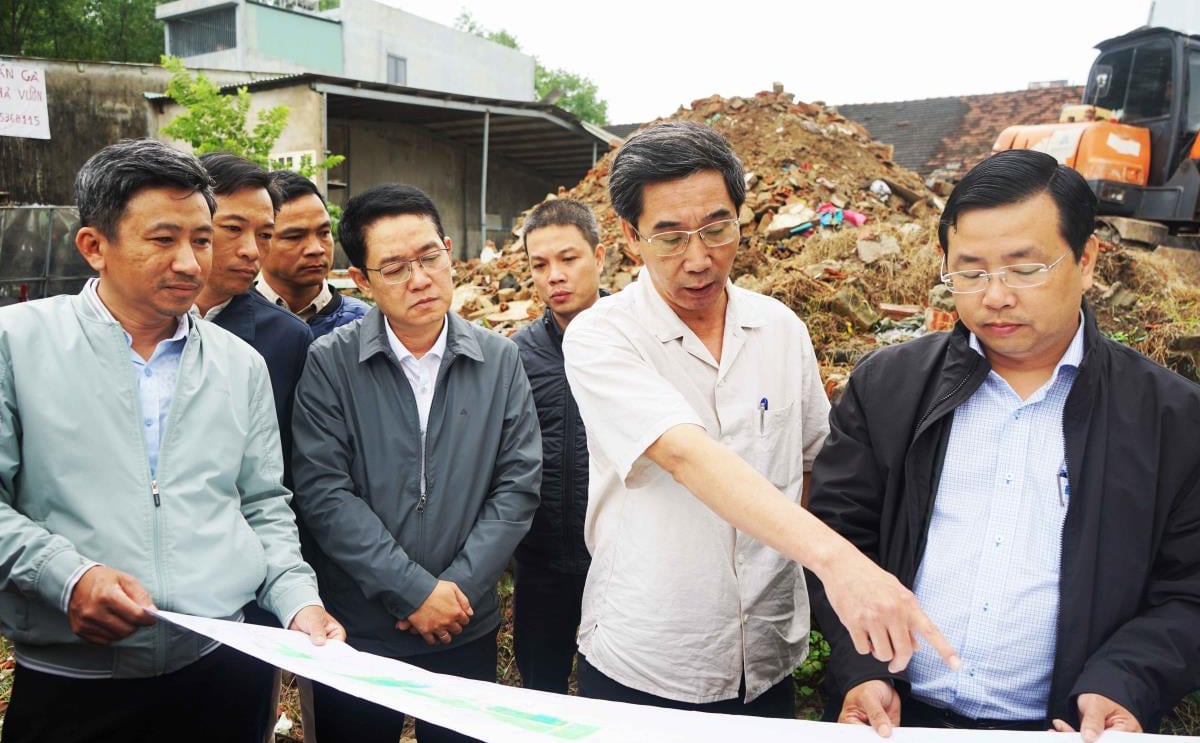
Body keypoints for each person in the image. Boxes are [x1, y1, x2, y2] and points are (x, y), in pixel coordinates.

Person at [560, 120, 958, 719]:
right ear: (628, 234)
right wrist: (842, 564)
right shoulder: (602, 336)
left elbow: (818, 468)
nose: (698, 258)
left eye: (717, 227)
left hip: (767, 656)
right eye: (669, 236)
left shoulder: (779, 329)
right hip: (650, 656)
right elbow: (685, 454)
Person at [807, 148, 1200, 739]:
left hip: (1066, 730)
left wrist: (1125, 683)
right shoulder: (888, 388)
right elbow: (836, 540)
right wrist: (860, 667)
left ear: (1087, 260)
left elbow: (1188, 590)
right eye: (970, 272)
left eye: (1023, 269)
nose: (994, 296)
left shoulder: (1170, 417)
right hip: (898, 721)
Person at [0, 139, 344, 743]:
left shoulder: (241, 365)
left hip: (220, 672)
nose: (191, 263)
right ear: (94, 247)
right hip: (74, 686)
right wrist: (67, 577)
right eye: (164, 240)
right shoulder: (17, 344)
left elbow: (262, 505)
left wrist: (298, 601)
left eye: (201, 239)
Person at [291, 183, 541, 743]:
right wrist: (411, 592)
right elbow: (325, 492)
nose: (420, 278)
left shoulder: (500, 361)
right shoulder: (331, 363)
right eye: (396, 267)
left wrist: (454, 593)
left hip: (463, 622)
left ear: (448, 250)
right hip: (360, 628)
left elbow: (517, 487)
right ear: (361, 280)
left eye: (430, 257)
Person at [510, 198, 607, 694]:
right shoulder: (514, 355)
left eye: (568, 259)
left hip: (618, 564)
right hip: (541, 563)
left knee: (610, 697)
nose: (555, 276)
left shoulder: (636, 341)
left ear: (600, 256)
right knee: (540, 689)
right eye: (540, 265)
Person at [195, 153, 314, 467]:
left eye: (265, 235)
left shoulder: (288, 337)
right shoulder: (141, 320)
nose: (251, 251)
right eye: (233, 228)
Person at [257, 170, 369, 337]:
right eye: (295, 237)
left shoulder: (364, 324)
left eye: (324, 232)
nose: (317, 249)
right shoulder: (231, 321)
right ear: (260, 240)